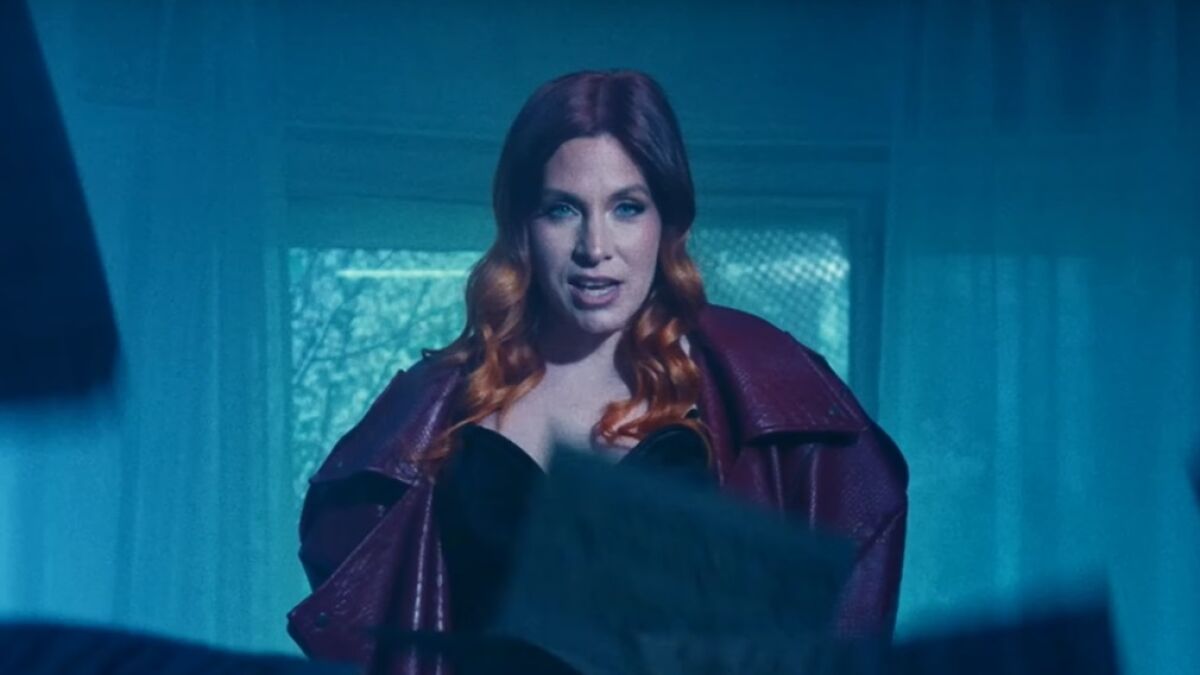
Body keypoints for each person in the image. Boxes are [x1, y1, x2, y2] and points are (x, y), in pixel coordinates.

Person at [287, 69, 908, 674]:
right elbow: (357, 573)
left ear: (667, 222)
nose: (595, 248)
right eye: (562, 209)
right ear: (522, 226)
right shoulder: (442, 401)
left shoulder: (751, 379)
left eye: (627, 208)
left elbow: (859, 535)